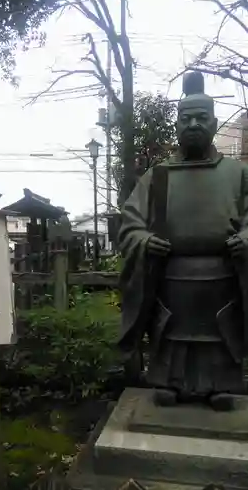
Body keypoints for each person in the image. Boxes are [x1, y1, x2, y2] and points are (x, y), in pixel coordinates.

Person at [118, 71, 248, 411]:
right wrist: (145, 241)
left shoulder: (238, 174)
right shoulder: (158, 176)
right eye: (185, 118)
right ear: (176, 125)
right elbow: (130, 223)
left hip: (223, 274)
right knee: (172, 332)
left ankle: (221, 384)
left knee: (220, 333)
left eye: (201, 118)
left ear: (215, 123)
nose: (193, 124)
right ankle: (168, 382)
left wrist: (245, 239)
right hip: (171, 276)